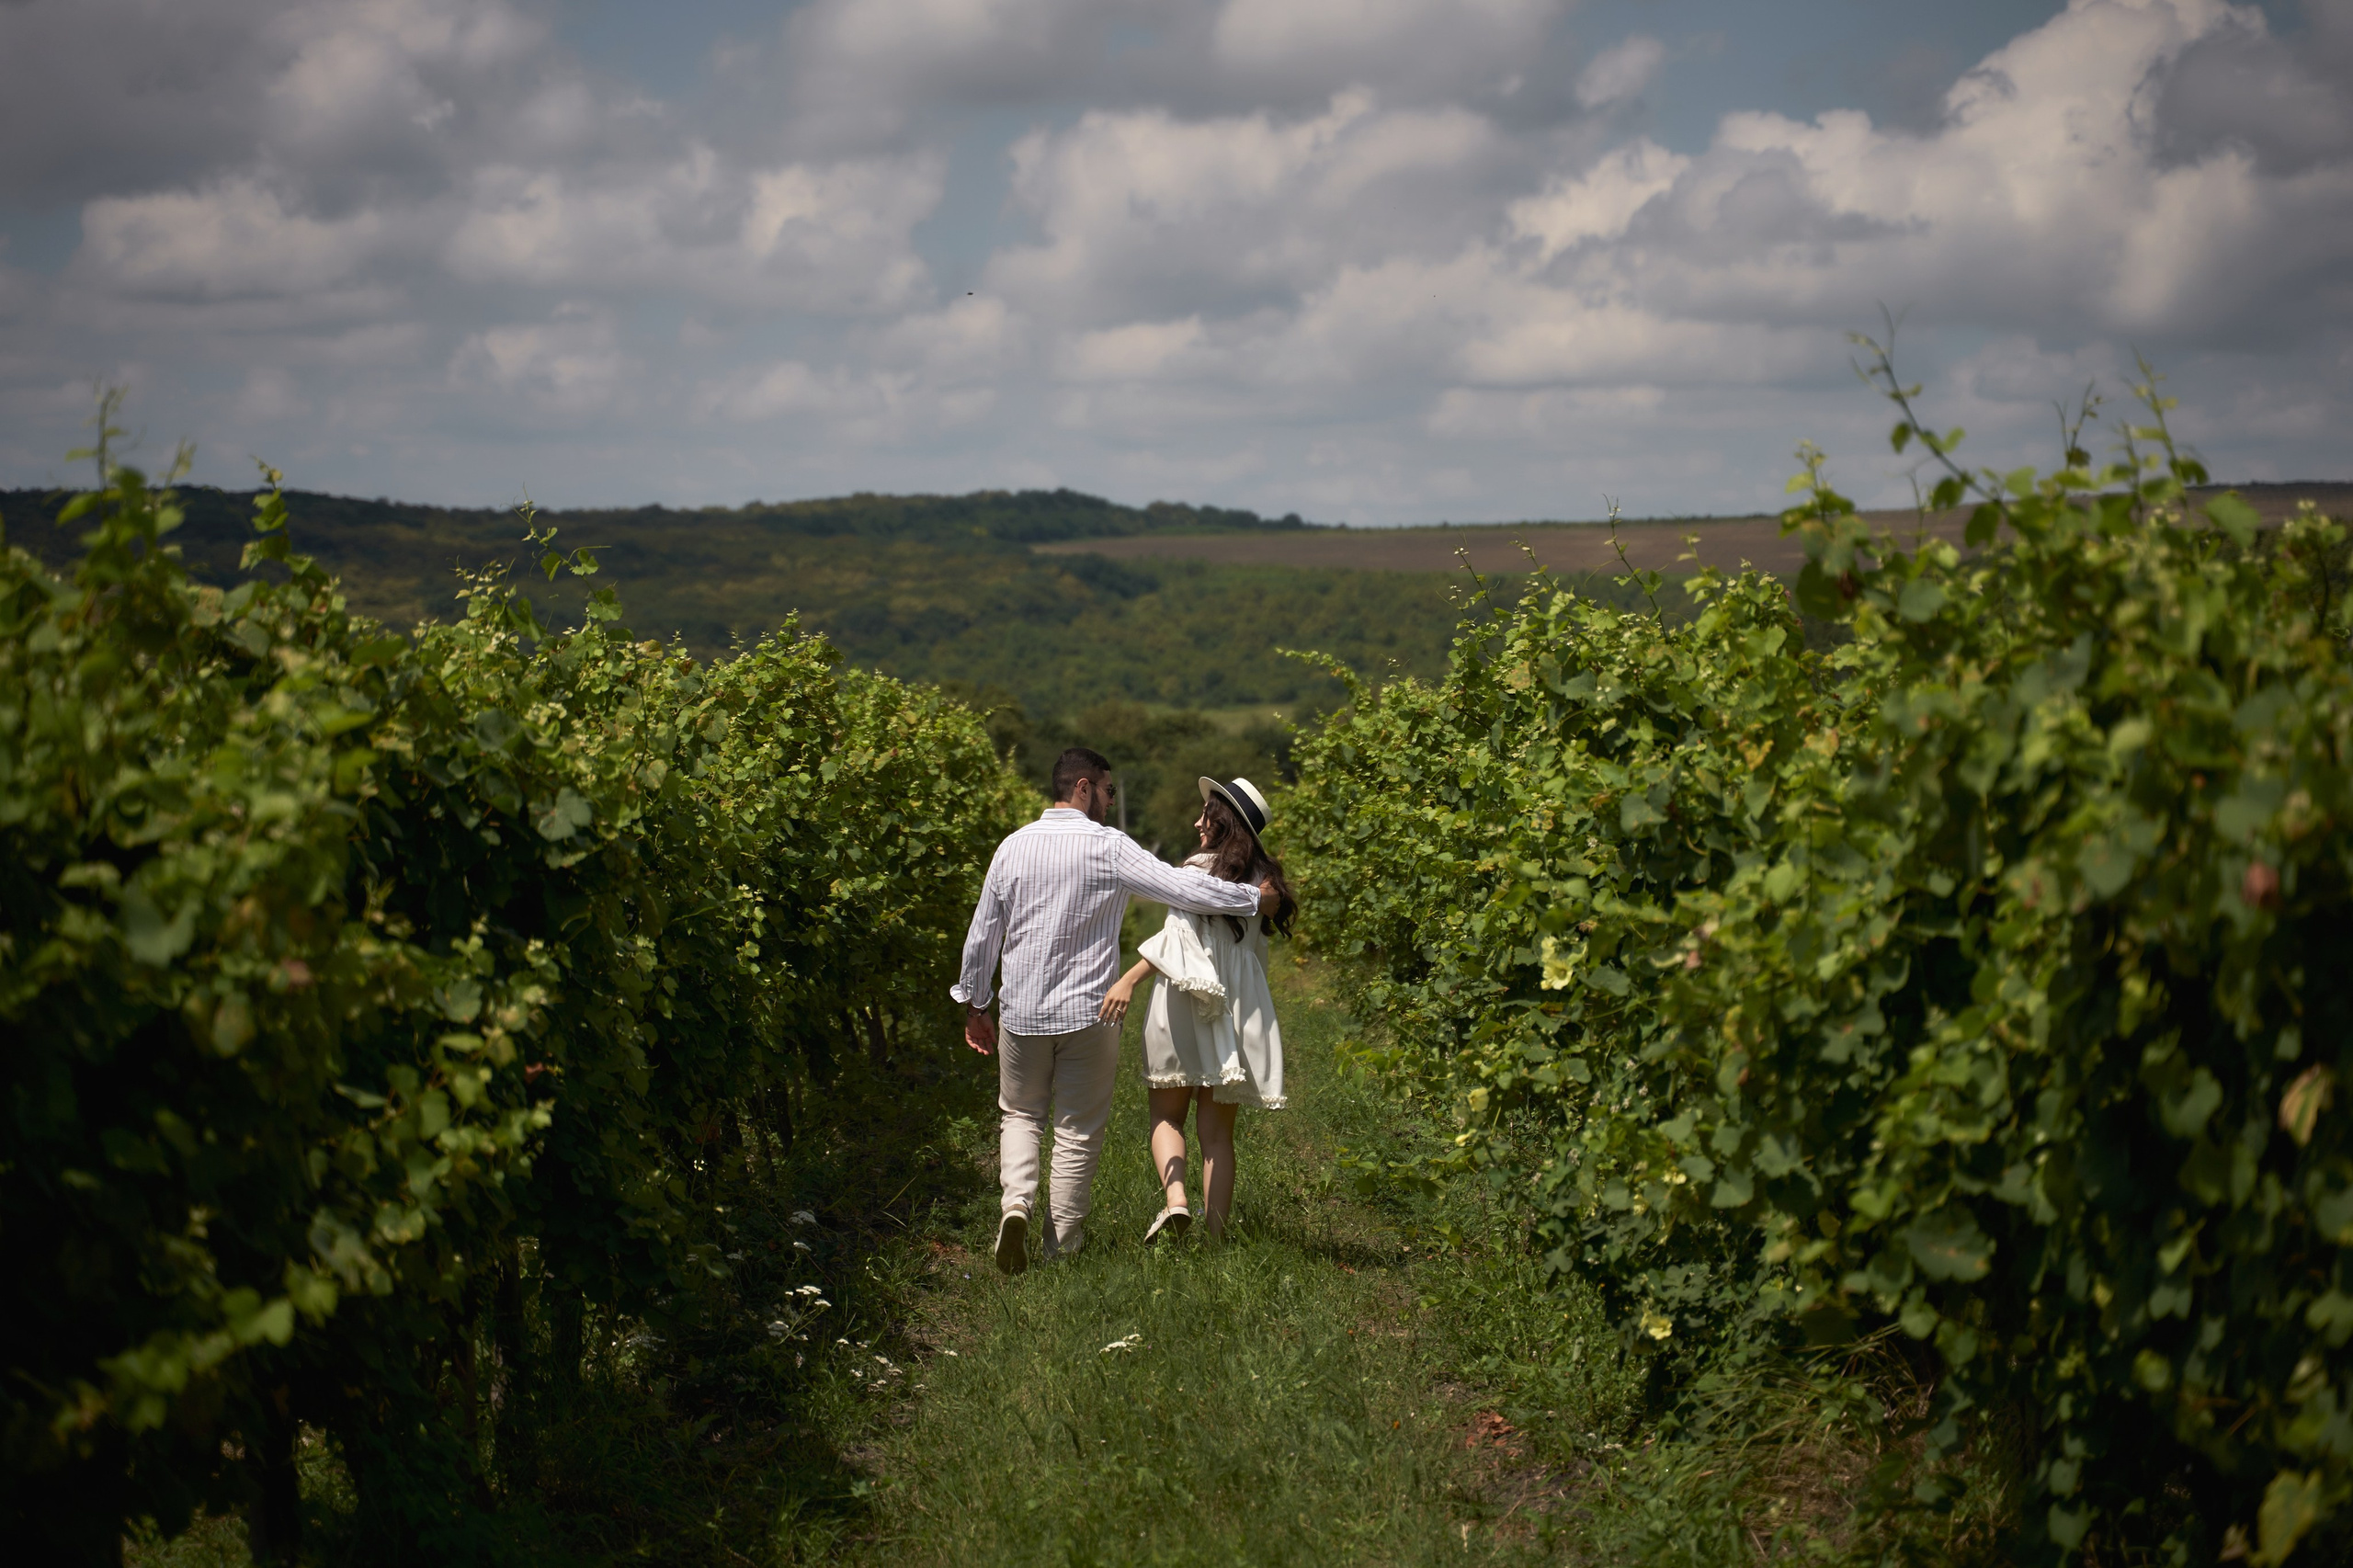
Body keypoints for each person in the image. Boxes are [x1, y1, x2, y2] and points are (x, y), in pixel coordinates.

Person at [954, 747, 1279, 1275]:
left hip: (1022, 1010)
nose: (1110, 800)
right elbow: (1183, 888)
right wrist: (1250, 898)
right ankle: (1062, 1247)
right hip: (1089, 1013)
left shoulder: (1012, 847)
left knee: (1020, 1113)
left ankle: (1016, 1203)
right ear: (1083, 787)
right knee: (1077, 1128)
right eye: (1107, 791)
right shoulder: (1109, 847)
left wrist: (975, 1004)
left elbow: (983, 932)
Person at [1098, 777, 1295, 1245]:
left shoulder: (1195, 871)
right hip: (1237, 1011)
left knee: (1167, 1116)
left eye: (1205, 814)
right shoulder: (1264, 882)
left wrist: (1127, 980)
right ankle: (1217, 1240)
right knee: (1218, 1136)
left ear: (1221, 821)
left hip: (1184, 1001)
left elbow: (1177, 941)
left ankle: (1177, 1200)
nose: (1196, 822)